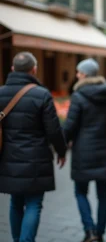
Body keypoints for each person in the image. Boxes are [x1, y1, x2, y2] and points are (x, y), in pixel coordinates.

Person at [0, 52, 67, 242]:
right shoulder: (42, 94)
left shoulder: (1, 93)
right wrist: (61, 152)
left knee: (15, 202)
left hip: (8, 158)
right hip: (36, 159)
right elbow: (54, 130)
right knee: (34, 204)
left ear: (12, 69)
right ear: (34, 70)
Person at [63, 58, 106, 242]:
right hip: (105, 150)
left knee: (80, 192)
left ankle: (90, 231)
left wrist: (62, 146)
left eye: (78, 72)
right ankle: (100, 233)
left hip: (82, 151)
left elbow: (70, 126)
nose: (76, 75)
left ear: (84, 74)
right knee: (103, 194)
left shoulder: (78, 96)